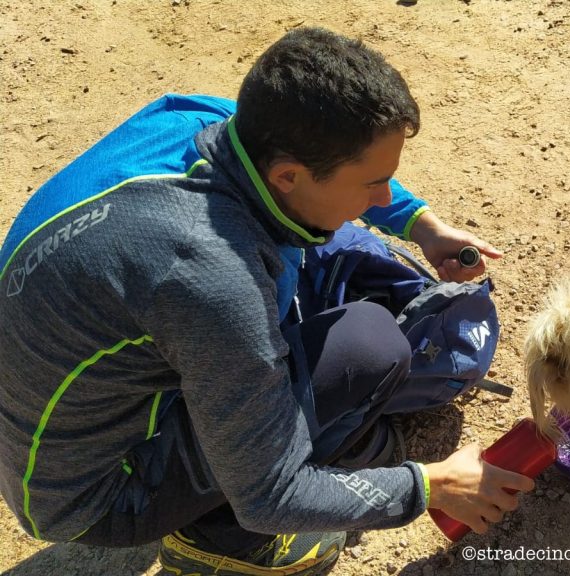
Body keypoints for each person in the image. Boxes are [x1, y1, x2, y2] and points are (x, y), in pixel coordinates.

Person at [0, 27, 532, 575]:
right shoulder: (208, 277)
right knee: (367, 347)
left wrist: (421, 225)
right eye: (374, 183)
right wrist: (430, 485)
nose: (382, 199)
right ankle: (219, 542)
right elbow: (271, 494)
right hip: (96, 495)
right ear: (287, 176)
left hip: (65, 396)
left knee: (321, 255)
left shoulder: (202, 120)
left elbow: (309, 191)